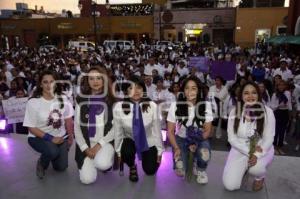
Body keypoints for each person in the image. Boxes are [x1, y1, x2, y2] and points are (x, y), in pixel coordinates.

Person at [223, 82, 275, 191]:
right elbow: (231, 138)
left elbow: (268, 138)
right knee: (230, 185)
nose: (250, 96)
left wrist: (255, 154)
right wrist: (249, 151)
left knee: (256, 168)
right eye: (246, 93)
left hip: (260, 149)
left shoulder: (267, 112)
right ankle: (243, 169)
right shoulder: (234, 111)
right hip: (239, 149)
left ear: (259, 94)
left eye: (254, 93)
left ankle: (260, 177)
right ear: (241, 96)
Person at [23, 70, 74, 179]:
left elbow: (68, 120)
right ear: (40, 84)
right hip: (38, 137)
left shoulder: (64, 99)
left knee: (61, 168)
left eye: (52, 81)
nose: (49, 85)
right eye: (45, 82)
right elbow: (31, 127)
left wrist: (70, 137)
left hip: (60, 137)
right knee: (52, 151)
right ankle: (42, 163)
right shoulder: (33, 102)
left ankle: (52, 154)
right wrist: (51, 138)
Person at [113, 75, 163, 182]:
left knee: (150, 171)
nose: (135, 91)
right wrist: (118, 152)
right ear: (126, 91)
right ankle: (132, 166)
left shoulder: (152, 106)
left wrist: (159, 151)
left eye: (139, 87)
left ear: (143, 90)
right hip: (130, 139)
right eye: (131, 88)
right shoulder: (119, 107)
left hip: (148, 140)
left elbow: (157, 131)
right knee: (126, 152)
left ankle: (150, 157)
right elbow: (118, 132)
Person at [167, 76, 213, 184]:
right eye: (187, 88)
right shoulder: (175, 106)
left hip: (200, 138)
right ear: (183, 90)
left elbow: (207, 130)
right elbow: (170, 131)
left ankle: (200, 169)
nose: (189, 91)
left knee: (204, 154)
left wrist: (196, 142)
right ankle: (183, 157)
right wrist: (176, 148)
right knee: (180, 171)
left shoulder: (206, 106)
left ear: (198, 90)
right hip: (181, 138)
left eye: (193, 88)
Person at [74, 66, 115, 184]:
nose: (95, 82)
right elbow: (77, 127)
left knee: (102, 164)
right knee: (87, 180)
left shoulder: (112, 100)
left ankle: (103, 158)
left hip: (104, 142)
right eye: (91, 79)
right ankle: (89, 160)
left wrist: (98, 146)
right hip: (86, 143)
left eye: (98, 78)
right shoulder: (80, 99)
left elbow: (115, 128)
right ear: (87, 81)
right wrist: (85, 149)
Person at [270, 79, 292, 155]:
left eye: (283, 85)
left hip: (285, 113)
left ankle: (280, 147)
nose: (281, 86)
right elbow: (272, 106)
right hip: (277, 113)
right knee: (276, 131)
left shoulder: (288, 93)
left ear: (285, 86)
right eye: (280, 85)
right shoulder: (275, 94)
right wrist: (278, 106)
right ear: (277, 86)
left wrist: (290, 113)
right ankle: (274, 147)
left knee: (283, 132)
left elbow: (289, 103)